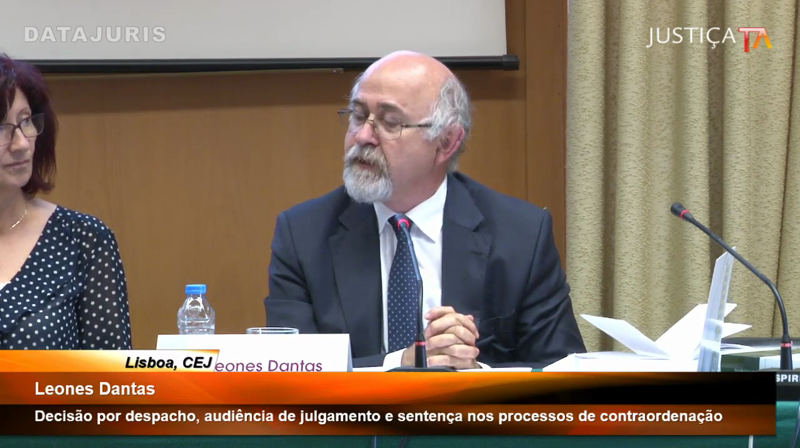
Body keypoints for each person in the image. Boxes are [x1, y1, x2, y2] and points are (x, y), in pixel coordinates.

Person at [264, 51, 585, 369]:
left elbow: (562, 371)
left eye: (390, 122)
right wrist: (400, 363)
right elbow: (292, 369)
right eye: (358, 116)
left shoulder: (521, 235)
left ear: (446, 142)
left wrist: (475, 374)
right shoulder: (304, 235)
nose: (362, 136)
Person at [0, 54, 132, 350]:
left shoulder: (83, 238)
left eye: (25, 121)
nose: (21, 144)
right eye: (1, 128)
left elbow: (109, 372)